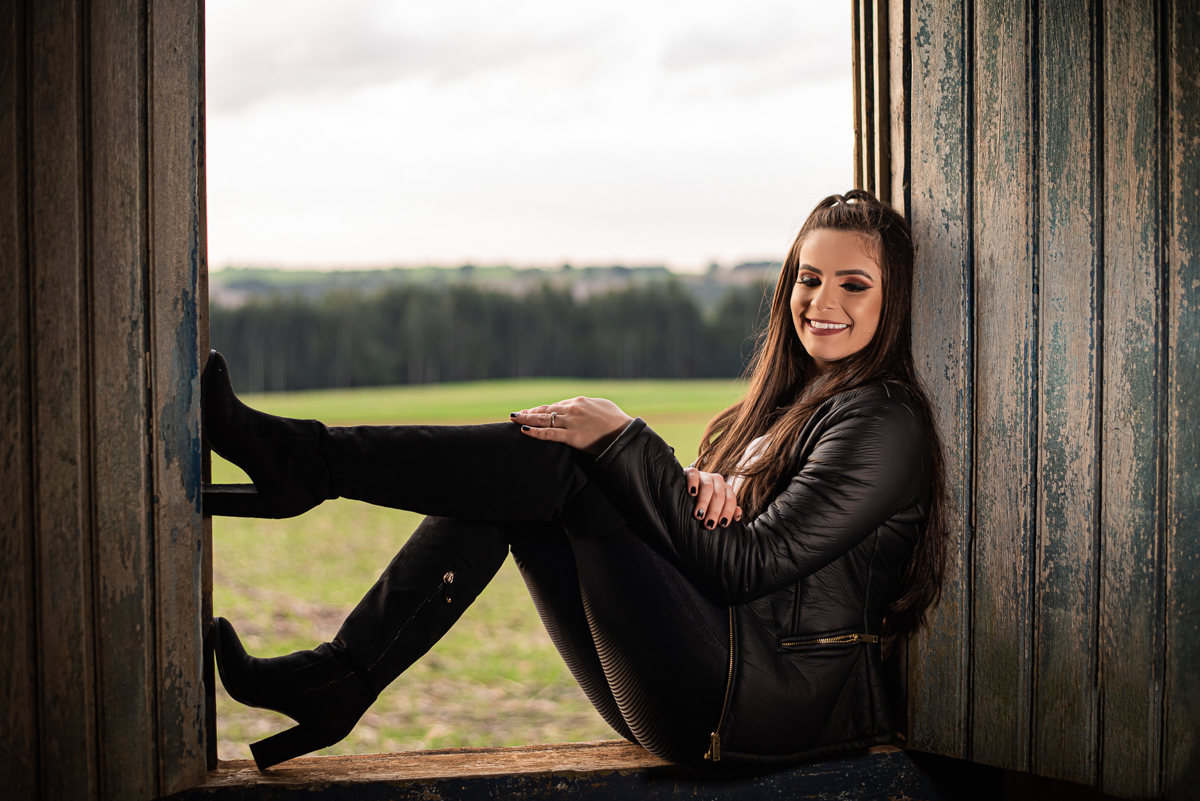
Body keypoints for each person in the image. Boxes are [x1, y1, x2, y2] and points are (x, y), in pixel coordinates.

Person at [207, 189, 948, 772]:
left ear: (893, 300)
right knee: (516, 486)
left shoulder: (884, 421)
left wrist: (628, 443)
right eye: (809, 279)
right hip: (705, 682)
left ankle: (304, 464)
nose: (822, 302)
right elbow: (722, 540)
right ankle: (339, 679)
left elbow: (745, 566)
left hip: (767, 702)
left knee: (567, 458)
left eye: (854, 285)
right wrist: (700, 488)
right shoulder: (787, 406)